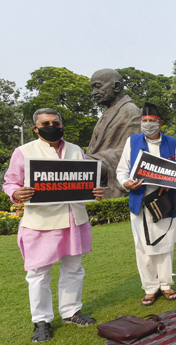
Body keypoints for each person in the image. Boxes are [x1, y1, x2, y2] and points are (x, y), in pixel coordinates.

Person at [2, 108, 105, 342]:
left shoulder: (76, 150)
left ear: (62, 125)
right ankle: (41, 320)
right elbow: (10, 182)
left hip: (74, 219)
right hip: (41, 222)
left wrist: (95, 190)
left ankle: (71, 312)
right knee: (38, 273)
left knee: (74, 268)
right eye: (45, 123)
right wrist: (17, 192)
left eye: (55, 122)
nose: (52, 126)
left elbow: (85, 180)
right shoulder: (23, 151)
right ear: (35, 128)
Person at [116, 102, 176, 306]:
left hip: (165, 201)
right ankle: (150, 287)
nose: (148, 124)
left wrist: (170, 183)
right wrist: (126, 183)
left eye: (152, 121)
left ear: (160, 122)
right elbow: (122, 170)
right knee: (143, 246)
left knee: (165, 245)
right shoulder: (132, 141)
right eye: (145, 120)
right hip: (140, 200)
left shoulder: (173, 143)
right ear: (140, 122)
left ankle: (166, 284)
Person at [87, 68, 141, 199]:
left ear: (116, 86)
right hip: (98, 162)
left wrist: (100, 159)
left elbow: (131, 150)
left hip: (110, 166)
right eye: (92, 88)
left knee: (85, 166)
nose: (94, 93)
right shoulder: (107, 113)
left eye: (98, 87)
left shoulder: (131, 111)